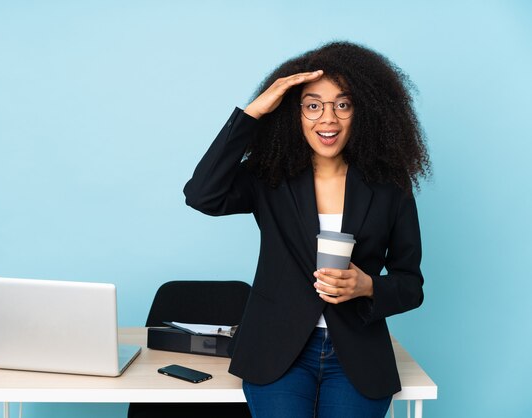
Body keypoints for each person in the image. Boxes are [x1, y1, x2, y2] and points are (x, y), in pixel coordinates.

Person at [183, 41, 431, 418]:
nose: (327, 119)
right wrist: (252, 114)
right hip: (277, 353)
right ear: (293, 114)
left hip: (358, 356)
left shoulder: (389, 185)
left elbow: (411, 284)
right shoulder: (270, 177)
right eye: (313, 105)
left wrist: (368, 286)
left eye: (342, 105)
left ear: (362, 112)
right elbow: (202, 194)